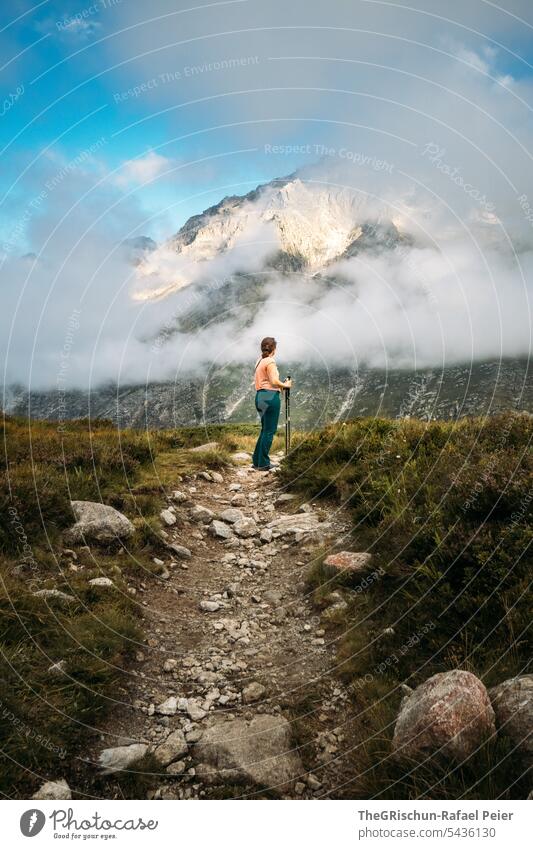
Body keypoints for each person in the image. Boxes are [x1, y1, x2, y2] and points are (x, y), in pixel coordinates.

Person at [252, 336, 292, 471]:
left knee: (264, 429)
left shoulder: (259, 361)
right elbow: (274, 381)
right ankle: (263, 463)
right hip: (270, 396)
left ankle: (257, 461)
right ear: (274, 349)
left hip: (260, 396)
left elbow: (267, 379)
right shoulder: (270, 362)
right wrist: (286, 385)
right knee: (270, 430)